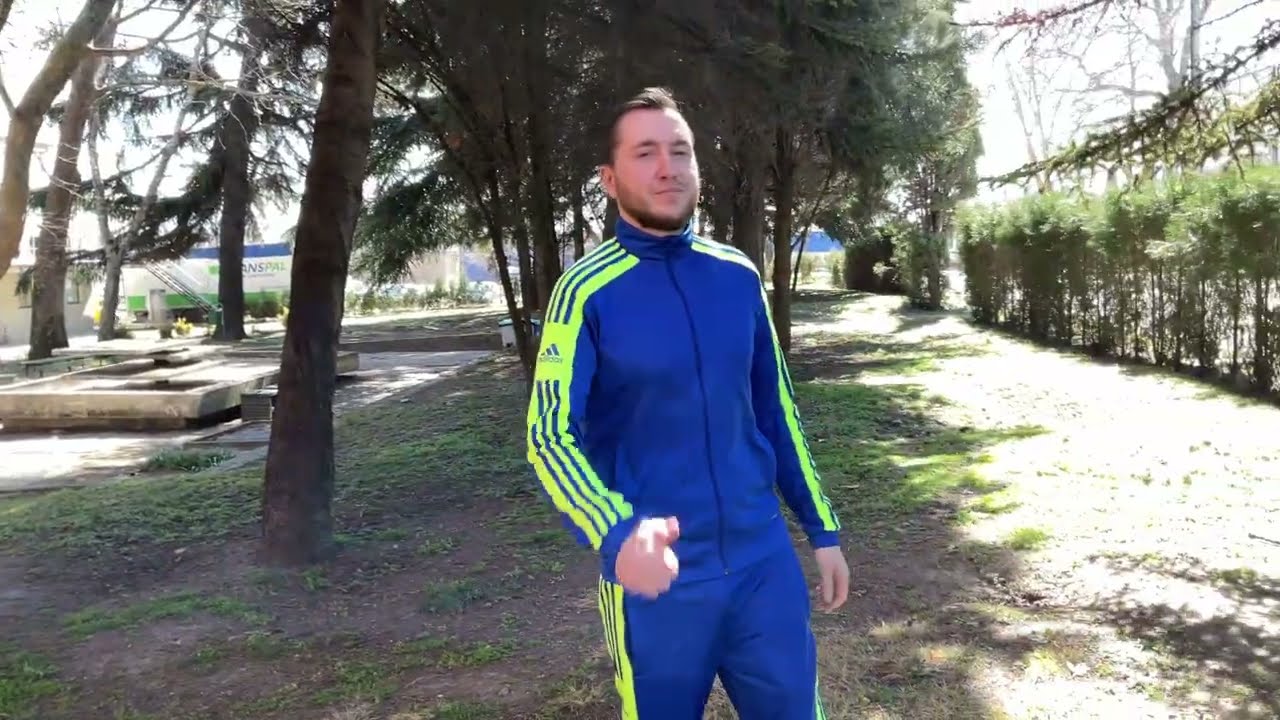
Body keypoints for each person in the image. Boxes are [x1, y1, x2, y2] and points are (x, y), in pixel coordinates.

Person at [525, 86, 850, 720]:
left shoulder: (738, 276)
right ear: (610, 179)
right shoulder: (584, 292)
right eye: (645, 153)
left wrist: (822, 529)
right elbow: (548, 434)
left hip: (763, 570)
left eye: (680, 151)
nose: (667, 167)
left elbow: (777, 412)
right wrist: (616, 533)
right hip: (660, 584)